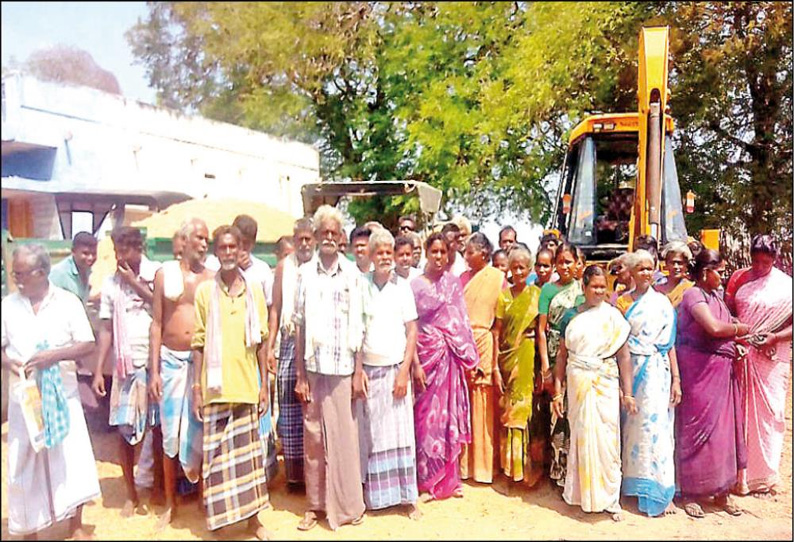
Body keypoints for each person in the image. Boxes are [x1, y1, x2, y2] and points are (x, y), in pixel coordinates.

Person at [2, 244, 101, 540]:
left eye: (22, 273)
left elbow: (87, 343)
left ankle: (76, 524)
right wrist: (10, 362)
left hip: (63, 394)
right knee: (22, 462)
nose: (17, 279)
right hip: (25, 397)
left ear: (42, 273)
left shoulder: (67, 302)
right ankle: (28, 529)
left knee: (72, 457)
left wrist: (53, 356)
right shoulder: (7, 306)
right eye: (14, 273)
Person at [191, 225, 271, 540]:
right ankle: (220, 524)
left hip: (246, 388)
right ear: (216, 251)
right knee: (216, 462)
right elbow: (198, 342)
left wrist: (264, 385)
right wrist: (197, 389)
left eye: (232, 248)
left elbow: (262, 342)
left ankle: (253, 522)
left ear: (240, 251)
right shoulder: (204, 293)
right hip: (214, 388)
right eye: (221, 248)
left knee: (249, 462)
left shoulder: (254, 291)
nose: (227, 254)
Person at [293, 205, 366, 531]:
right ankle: (315, 506)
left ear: (341, 239)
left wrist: (358, 371)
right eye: (324, 233)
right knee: (314, 438)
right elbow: (299, 326)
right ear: (318, 235)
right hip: (314, 366)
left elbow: (360, 325)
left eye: (334, 234)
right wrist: (299, 375)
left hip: (343, 368)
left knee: (344, 438)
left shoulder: (353, 275)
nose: (328, 239)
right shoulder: (304, 273)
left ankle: (349, 506)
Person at [551, 265, 635, 521]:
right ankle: (580, 494)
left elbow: (623, 356)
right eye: (594, 287)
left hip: (606, 382)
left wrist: (627, 393)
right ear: (584, 288)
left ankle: (610, 498)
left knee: (608, 439)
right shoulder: (570, 317)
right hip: (578, 382)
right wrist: (557, 392)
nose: (599, 291)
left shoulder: (613, 317)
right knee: (582, 435)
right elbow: (562, 357)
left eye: (603, 287)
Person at [147, 218, 214, 529]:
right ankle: (171, 503)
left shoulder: (212, 277)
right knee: (170, 433)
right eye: (199, 238)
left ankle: (203, 498)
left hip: (201, 363)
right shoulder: (165, 275)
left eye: (206, 239)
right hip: (172, 362)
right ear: (184, 241)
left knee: (201, 431)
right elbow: (157, 324)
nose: (204, 244)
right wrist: (154, 372)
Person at [92, 226, 161, 516]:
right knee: (124, 429)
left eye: (126, 250)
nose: (121, 257)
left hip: (154, 361)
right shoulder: (109, 284)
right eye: (117, 251)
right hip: (124, 365)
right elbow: (106, 328)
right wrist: (99, 370)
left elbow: (161, 308)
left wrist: (133, 281)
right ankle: (131, 493)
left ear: (138, 249)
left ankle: (158, 488)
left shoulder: (155, 272)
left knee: (156, 428)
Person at [675, 249, 749, 518]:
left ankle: (721, 490)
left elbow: (723, 328)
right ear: (705, 272)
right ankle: (691, 492)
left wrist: (735, 343)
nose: (723, 275)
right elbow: (714, 329)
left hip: (720, 371)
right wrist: (741, 330)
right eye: (719, 271)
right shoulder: (693, 295)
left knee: (723, 431)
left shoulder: (716, 296)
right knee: (697, 430)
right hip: (697, 371)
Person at [353, 229, 421, 519]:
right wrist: (357, 371)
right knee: (372, 437)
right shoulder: (360, 285)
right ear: (370, 255)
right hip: (369, 371)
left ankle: (407, 499)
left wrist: (405, 371)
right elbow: (356, 331)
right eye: (378, 252)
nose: (383, 257)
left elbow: (412, 331)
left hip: (395, 371)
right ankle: (376, 498)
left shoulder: (402, 287)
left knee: (400, 435)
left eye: (387, 252)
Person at [411, 232, 479, 500]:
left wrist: (468, 354)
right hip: (424, 358)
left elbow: (460, 320)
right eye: (434, 251)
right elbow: (410, 326)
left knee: (447, 416)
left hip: (448, 358)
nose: (439, 256)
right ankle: (426, 480)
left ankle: (449, 481)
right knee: (425, 420)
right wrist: (415, 364)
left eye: (443, 252)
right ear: (426, 253)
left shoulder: (452, 284)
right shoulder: (415, 286)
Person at [725, 235, 792, 497]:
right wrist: (739, 337)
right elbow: (728, 312)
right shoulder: (739, 279)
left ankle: (763, 477)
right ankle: (737, 476)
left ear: (775, 260)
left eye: (766, 262)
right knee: (739, 413)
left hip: (773, 358)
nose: (760, 267)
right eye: (756, 261)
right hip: (742, 352)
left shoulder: (786, 286)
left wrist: (775, 337)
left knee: (770, 414)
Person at [617, 250, 681, 517]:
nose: (645, 273)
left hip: (657, 374)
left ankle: (661, 492)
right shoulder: (621, 303)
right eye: (640, 268)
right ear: (630, 272)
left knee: (659, 431)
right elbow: (619, 344)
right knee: (632, 432)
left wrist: (677, 379)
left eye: (649, 268)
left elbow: (669, 345)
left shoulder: (663, 303)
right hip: (632, 373)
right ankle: (633, 489)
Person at [266, 218, 316, 491]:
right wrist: (271, 346)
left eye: (309, 239)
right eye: (300, 239)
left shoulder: (322, 265)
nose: (305, 244)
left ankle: (315, 474)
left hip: (316, 342)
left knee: (313, 406)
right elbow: (275, 309)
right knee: (288, 407)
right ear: (294, 240)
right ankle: (295, 476)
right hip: (288, 340)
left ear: (315, 239)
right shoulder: (285, 267)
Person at [231, 215, 278, 479]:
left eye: (247, 244)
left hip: (256, 349)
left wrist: (269, 347)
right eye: (239, 243)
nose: (242, 250)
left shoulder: (261, 271)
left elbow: (271, 312)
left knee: (262, 402)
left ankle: (264, 469)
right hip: (231, 352)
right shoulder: (221, 267)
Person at [459, 232, 505, 485]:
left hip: (485, 341)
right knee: (464, 403)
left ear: (484, 254)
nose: (466, 257)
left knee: (484, 403)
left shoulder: (498, 279)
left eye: (470, 252)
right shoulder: (461, 279)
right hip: (462, 343)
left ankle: (486, 467)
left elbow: (501, 320)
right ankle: (465, 466)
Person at [493, 246, 541, 485]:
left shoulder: (537, 295)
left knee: (524, 413)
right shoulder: (503, 297)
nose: (519, 271)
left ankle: (524, 470)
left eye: (523, 267)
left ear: (529, 269)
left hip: (527, 357)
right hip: (506, 359)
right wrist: (494, 366)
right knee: (508, 414)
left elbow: (543, 330)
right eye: (515, 267)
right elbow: (496, 332)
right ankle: (509, 470)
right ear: (510, 270)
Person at [536, 242, 582, 487]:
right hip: (554, 354)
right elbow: (541, 330)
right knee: (556, 411)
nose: (564, 266)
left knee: (573, 410)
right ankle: (556, 471)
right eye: (560, 262)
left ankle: (572, 471)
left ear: (576, 264)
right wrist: (545, 364)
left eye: (568, 262)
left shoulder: (581, 290)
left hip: (576, 355)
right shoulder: (547, 291)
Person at [49, 231, 97, 306]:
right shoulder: (59, 274)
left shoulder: (86, 270)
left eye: (94, 254)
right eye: (85, 253)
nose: (90, 258)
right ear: (73, 251)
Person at [655, 241, 694, 308]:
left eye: (680, 263)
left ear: (686, 265)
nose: (676, 267)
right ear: (666, 264)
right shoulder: (656, 288)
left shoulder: (691, 288)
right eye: (672, 263)